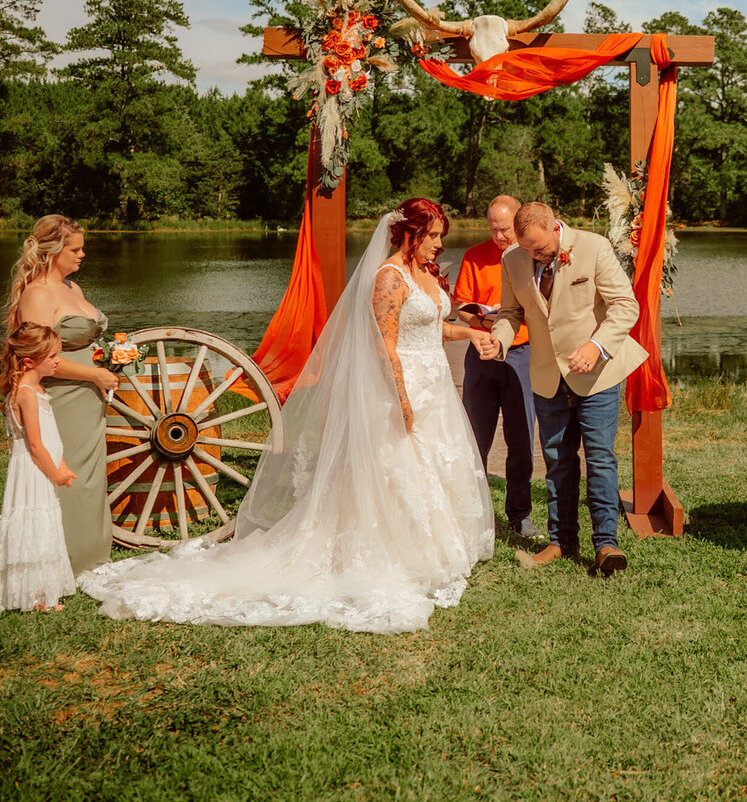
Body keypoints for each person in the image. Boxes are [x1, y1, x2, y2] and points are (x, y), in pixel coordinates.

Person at [79, 200, 494, 633]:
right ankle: (395, 550)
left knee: (433, 463)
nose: (439, 245)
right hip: (399, 388)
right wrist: (403, 400)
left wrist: (470, 333)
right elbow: (384, 345)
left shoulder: (424, 274)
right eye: (432, 237)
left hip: (435, 389)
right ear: (408, 235)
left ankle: (435, 546)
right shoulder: (388, 277)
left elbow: (431, 326)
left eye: (440, 236)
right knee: (397, 467)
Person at [485, 201, 645, 577]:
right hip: (546, 376)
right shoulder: (513, 259)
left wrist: (596, 345)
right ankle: (561, 542)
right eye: (526, 249)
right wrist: (500, 340)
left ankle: (607, 545)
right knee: (557, 460)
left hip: (597, 374)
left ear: (555, 228)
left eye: (538, 249)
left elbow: (625, 305)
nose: (532, 256)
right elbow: (511, 313)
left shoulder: (594, 247)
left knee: (600, 458)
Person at [7, 216, 119, 575]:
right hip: (61, 398)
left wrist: (114, 356)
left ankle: (93, 553)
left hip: (88, 397)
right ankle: (65, 560)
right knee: (67, 472)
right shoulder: (37, 294)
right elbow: (38, 357)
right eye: (75, 248)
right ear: (53, 251)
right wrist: (93, 373)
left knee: (90, 475)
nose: (82, 254)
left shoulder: (74, 289)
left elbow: (85, 341)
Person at [453, 194, 540, 537]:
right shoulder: (475, 256)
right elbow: (462, 306)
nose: (499, 236)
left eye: (505, 229)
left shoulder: (531, 254)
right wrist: (480, 316)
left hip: (522, 353)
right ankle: (472, 512)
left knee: (521, 436)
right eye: (493, 229)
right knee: (475, 435)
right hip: (483, 351)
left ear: (519, 224)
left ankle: (519, 515)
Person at [0, 323, 77, 612]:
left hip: (42, 467)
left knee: (45, 527)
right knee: (34, 525)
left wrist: (63, 465)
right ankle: (32, 596)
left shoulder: (37, 388)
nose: (58, 360)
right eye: (53, 356)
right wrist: (55, 472)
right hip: (34, 469)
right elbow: (35, 444)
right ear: (29, 361)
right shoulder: (26, 394)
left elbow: (51, 435)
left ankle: (41, 593)